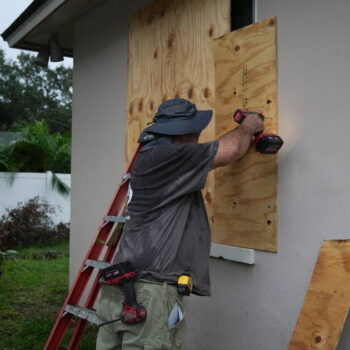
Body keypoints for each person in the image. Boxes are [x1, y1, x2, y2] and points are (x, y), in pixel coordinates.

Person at [96, 98, 264, 350]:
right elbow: (229, 151)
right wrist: (248, 126)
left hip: (121, 288)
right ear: (181, 134)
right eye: (194, 132)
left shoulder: (151, 155)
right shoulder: (169, 156)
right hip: (148, 293)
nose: (197, 136)